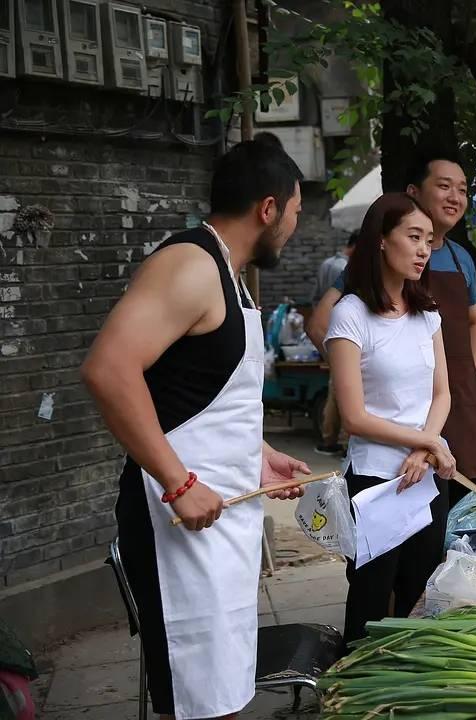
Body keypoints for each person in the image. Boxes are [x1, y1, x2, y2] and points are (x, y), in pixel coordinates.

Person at [81, 137, 310, 720]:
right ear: (267, 208)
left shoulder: (229, 276)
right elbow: (108, 370)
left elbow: (195, 395)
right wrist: (179, 483)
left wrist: (258, 455)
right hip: (175, 523)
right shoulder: (190, 264)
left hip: (219, 524)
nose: (293, 227)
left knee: (221, 697)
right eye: (295, 213)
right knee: (198, 702)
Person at [308, 152, 476, 502]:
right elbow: (320, 325)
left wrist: (467, 378)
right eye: (444, 186)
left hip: (442, 425)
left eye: (462, 189)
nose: (455, 197)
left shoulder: (455, 267)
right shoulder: (357, 302)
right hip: (382, 452)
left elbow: (475, 321)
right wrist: (359, 375)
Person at [323, 192, 457, 642]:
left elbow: (442, 394)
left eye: (429, 241)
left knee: (420, 597)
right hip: (375, 483)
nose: (423, 249)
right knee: (370, 600)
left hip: (423, 479)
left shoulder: (427, 313)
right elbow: (354, 417)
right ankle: (354, 699)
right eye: (413, 237)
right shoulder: (350, 314)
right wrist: (428, 443)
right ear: (381, 240)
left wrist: (426, 446)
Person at [312, 232, 358, 456]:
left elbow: (316, 300)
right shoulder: (347, 269)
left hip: (329, 332)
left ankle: (328, 439)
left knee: (336, 390)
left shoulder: (326, 263)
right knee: (340, 392)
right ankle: (337, 441)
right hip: (344, 334)